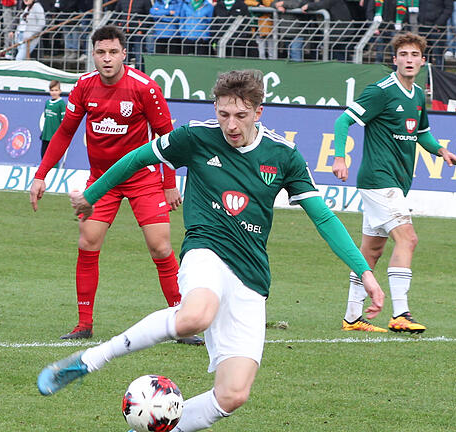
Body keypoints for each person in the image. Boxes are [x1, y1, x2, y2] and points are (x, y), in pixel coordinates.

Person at [36, 70, 385, 432]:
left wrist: (365, 272)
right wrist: (91, 196)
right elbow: (134, 160)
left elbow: (324, 219)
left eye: (240, 115)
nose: (231, 125)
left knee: (233, 394)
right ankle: (88, 360)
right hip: (205, 250)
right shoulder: (196, 137)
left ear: (259, 112)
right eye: (223, 114)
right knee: (194, 317)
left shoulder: (284, 155)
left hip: (251, 276)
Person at [29, 25, 203, 345]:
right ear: (92, 55)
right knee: (88, 242)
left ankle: (181, 322)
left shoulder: (144, 88)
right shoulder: (83, 87)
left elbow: (166, 137)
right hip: (101, 180)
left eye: (113, 52)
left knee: (160, 245)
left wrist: (169, 183)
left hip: (142, 177)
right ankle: (84, 324)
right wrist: (41, 174)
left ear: (125, 54)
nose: (107, 59)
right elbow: (65, 132)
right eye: (100, 53)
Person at [331, 32, 456, 333]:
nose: (409, 60)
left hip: (397, 181)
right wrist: (339, 157)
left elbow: (421, 134)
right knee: (408, 238)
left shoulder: (418, 94)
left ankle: (352, 317)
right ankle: (401, 313)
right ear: (394, 60)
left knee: (371, 251)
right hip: (379, 180)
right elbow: (344, 121)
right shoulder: (381, 91)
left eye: (414, 55)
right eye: (403, 55)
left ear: (423, 61)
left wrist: (442, 151)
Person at [416, 0, 452, 68]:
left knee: (438, 55)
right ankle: (425, 76)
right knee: (424, 55)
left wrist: (439, 24)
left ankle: (440, 76)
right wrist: (420, 21)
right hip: (423, 27)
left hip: (438, 29)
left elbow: (449, 8)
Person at [40, 80, 65, 159]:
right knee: (43, 156)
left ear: (60, 91)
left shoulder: (61, 103)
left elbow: (63, 121)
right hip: (45, 135)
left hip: (55, 136)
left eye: (56, 90)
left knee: (52, 158)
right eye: (52, 90)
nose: (54, 92)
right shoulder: (47, 103)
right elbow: (45, 119)